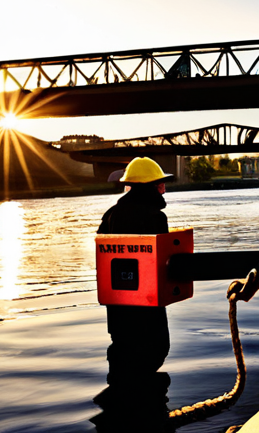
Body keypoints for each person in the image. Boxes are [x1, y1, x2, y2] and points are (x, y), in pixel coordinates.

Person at [94, 157, 175, 432]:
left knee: (123, 360)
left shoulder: (110, 215)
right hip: (147, 308)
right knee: (151, 357)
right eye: (160, 185)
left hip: (118, 308)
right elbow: (163, 263)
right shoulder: (155, 217)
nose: (164, 189)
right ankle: (149, 420)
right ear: (150, 187)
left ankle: (120, 418)